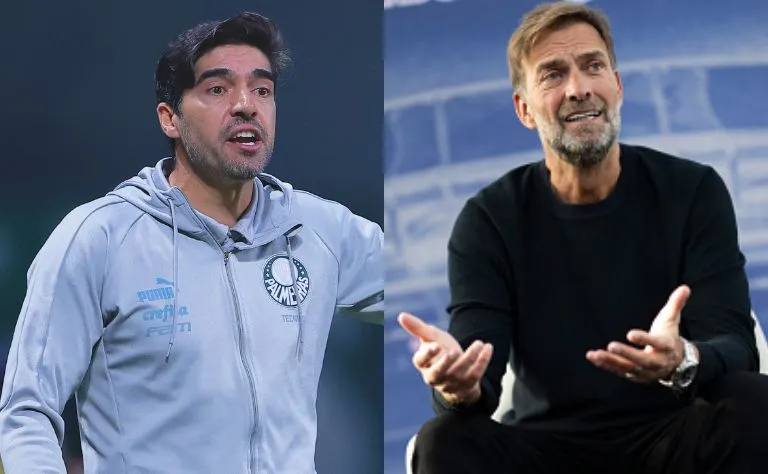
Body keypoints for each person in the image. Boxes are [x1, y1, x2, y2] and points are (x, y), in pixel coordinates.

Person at [0, 12, 382, 474]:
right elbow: (26, 413)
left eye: (262, 89)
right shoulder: (99, 238)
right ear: (170, 119)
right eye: (218, 89)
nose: (246, 105)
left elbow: (444, 290)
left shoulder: (319, 229)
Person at [398, 2, 768, 473]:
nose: (578, 89)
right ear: (524, 109)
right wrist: (457, 386)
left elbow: (735, 344)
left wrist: (683, 360)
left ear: (617, 87)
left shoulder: (693, 191)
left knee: (754, 401)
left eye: (593, 66)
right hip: (544, 449)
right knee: (444, 440)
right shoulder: (488, 220)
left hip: (672, 436)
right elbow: (477, 381)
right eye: (553, 74)